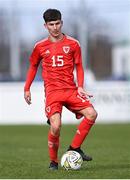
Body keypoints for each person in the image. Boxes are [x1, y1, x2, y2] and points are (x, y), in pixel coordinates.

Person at [24, 9, 97, 170]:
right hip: (53, 92)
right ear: (45, 26)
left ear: (61, 23)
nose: (55, 27)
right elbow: (33, 66)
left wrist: (80, 86)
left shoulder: (73, 43)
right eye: (51, 24)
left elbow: (79, 66)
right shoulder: (40, 46)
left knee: (92, 114)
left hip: (71, 90)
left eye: (57, 23)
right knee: (55, 126)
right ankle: (54, 162)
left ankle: (74, 148)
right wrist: (27, 88)